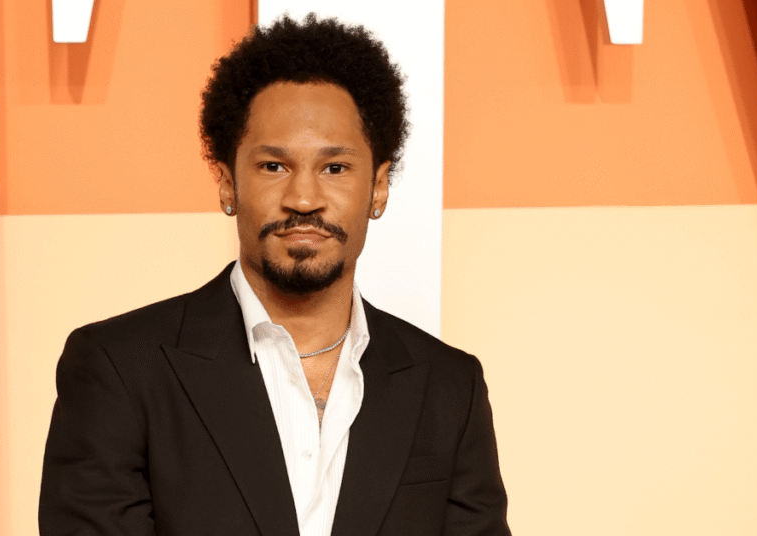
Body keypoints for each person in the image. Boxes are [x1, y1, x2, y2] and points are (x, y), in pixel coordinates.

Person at [39, 13, 510, 536]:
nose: (303, 199)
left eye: (335, 168)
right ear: (226, 182)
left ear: (378, 187)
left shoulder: (450, 388)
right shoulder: (118, 371)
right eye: (274, 166)